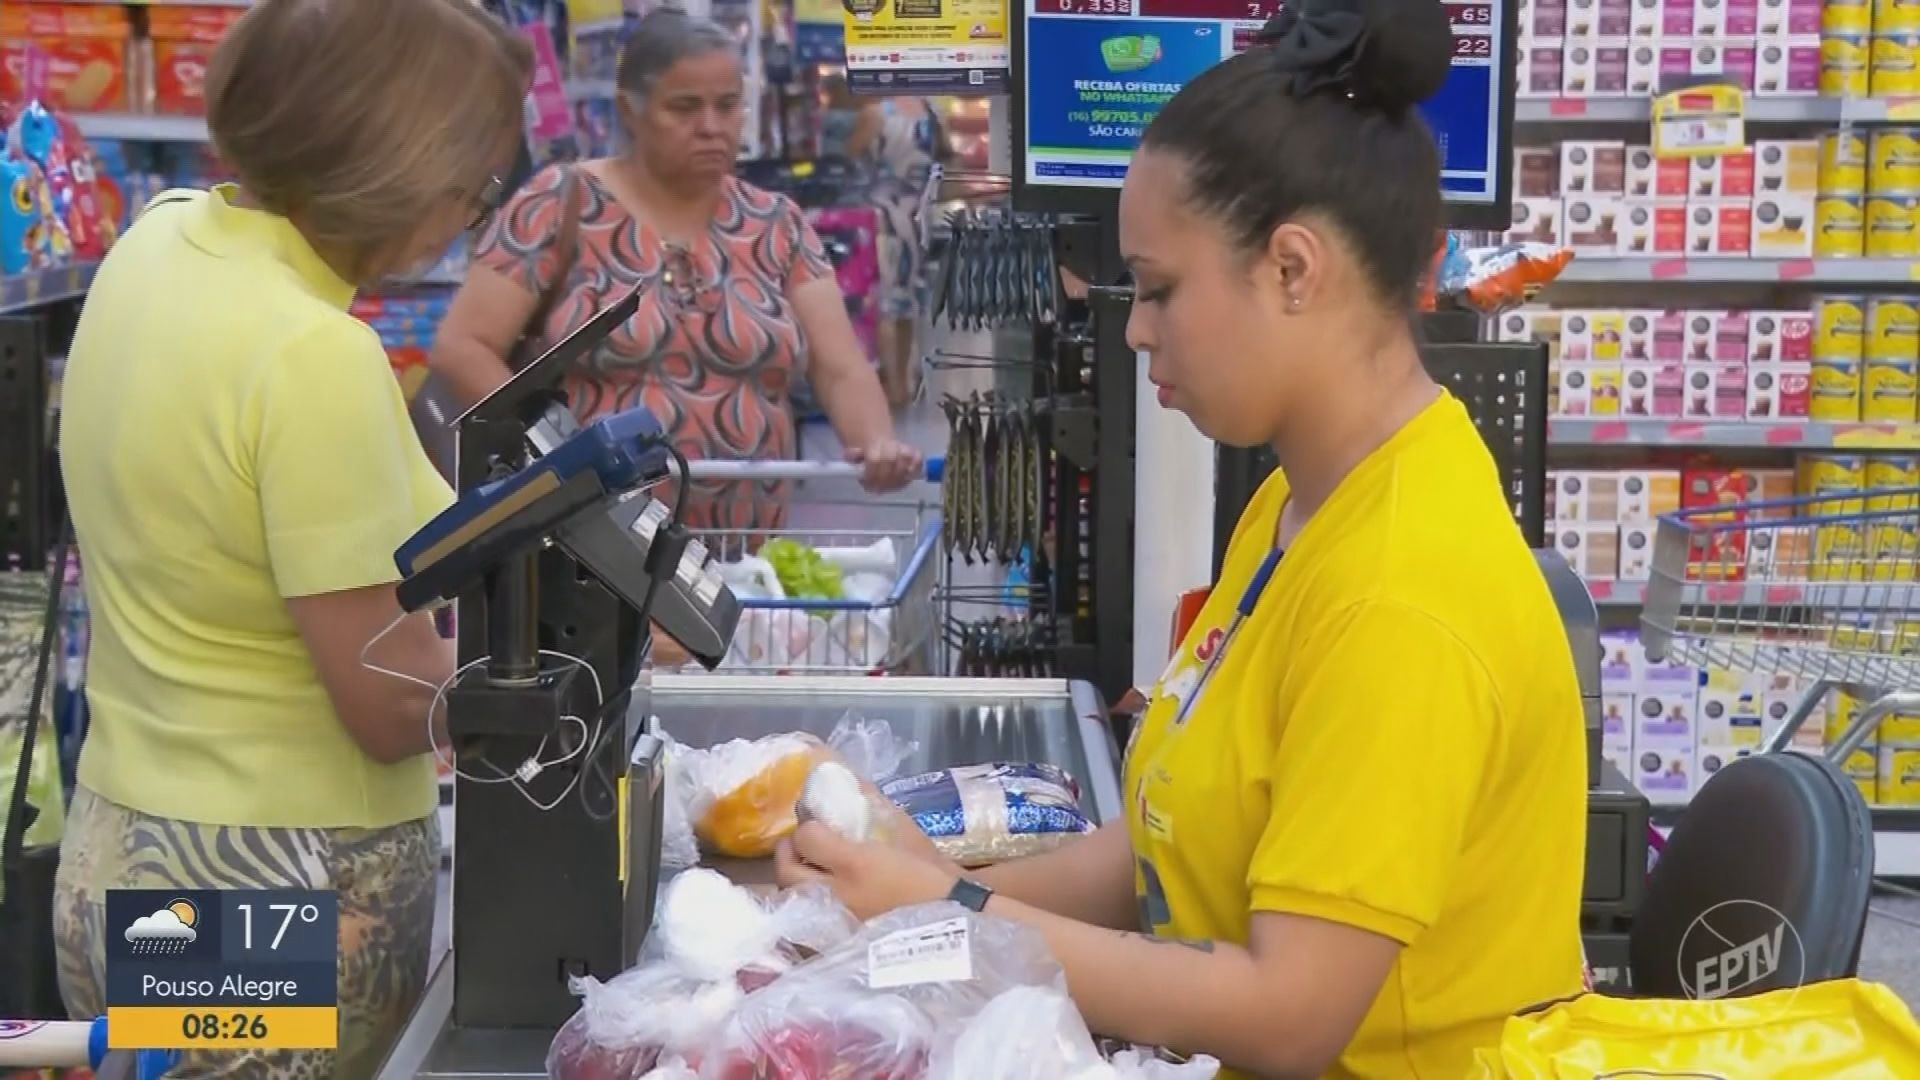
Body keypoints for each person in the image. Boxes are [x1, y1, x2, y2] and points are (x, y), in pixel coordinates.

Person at [775, 0, 1590, 1076]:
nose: (1134, 327)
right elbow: (1167, 839)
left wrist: (954, 918)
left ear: (1294, 269)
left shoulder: (1402, 594)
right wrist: (936, 882)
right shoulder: (1302, 503)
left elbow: (1288, 1017)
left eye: (1159, 287)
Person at [52, 0, 528, 1073]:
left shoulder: (158, 240)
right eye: (473, 181)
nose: (468, 212)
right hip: (263, 897)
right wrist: (539, 681)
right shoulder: (315, 355)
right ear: (399, 170)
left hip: (120, 854)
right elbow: (385, 700)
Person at [429, 8, 921, 535]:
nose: (711, 126)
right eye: (684, 108)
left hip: (739, 561)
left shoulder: (777, 225)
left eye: (727, 106)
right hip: (592, 551)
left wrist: (875, 442)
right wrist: (557, 456)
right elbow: (463, 346)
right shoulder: (558, 205)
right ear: (631, 111)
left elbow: (840, 365)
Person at [844, 89, 945, 407]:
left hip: (884, 212)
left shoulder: (876, 113)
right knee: (909, 300)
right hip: (919, 212)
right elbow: (944, 157)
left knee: (888, 298)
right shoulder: (932, 112)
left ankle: (893, 384)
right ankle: (905, 377)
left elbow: (851, 153)